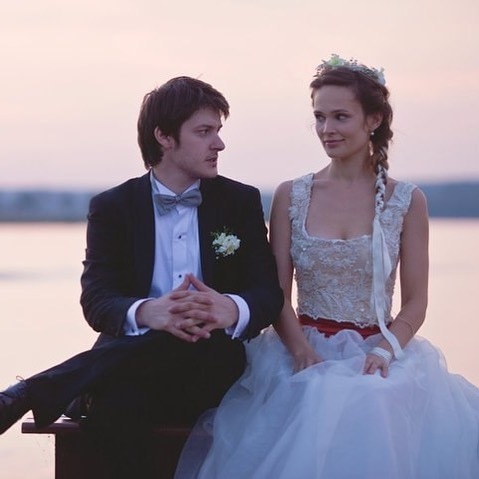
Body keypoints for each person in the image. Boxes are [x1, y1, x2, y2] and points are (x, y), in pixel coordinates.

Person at [174, 56, 479, 479]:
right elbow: (275, 292)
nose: (326, 129)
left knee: (376, 401)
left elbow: (416, 302)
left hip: (381, 347)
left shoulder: (407, 201)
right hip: (300, 346)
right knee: (312, 399)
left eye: (340, 117)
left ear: (373, 119)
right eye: (319, 117)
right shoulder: (292, 195)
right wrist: (302, 352)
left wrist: (384, 351)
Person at [0, 76, 284, 478]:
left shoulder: (239, 201)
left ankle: (32, 392)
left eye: (218, 131)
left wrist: (229, 309)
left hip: (214, 362)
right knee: (115, 406)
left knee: (176, 349)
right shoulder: (113, 206)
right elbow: (97, 300)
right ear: (164, 137)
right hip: (134, 368)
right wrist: (149, 313)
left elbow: (268, 293)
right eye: (204, 132)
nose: (219, 144)